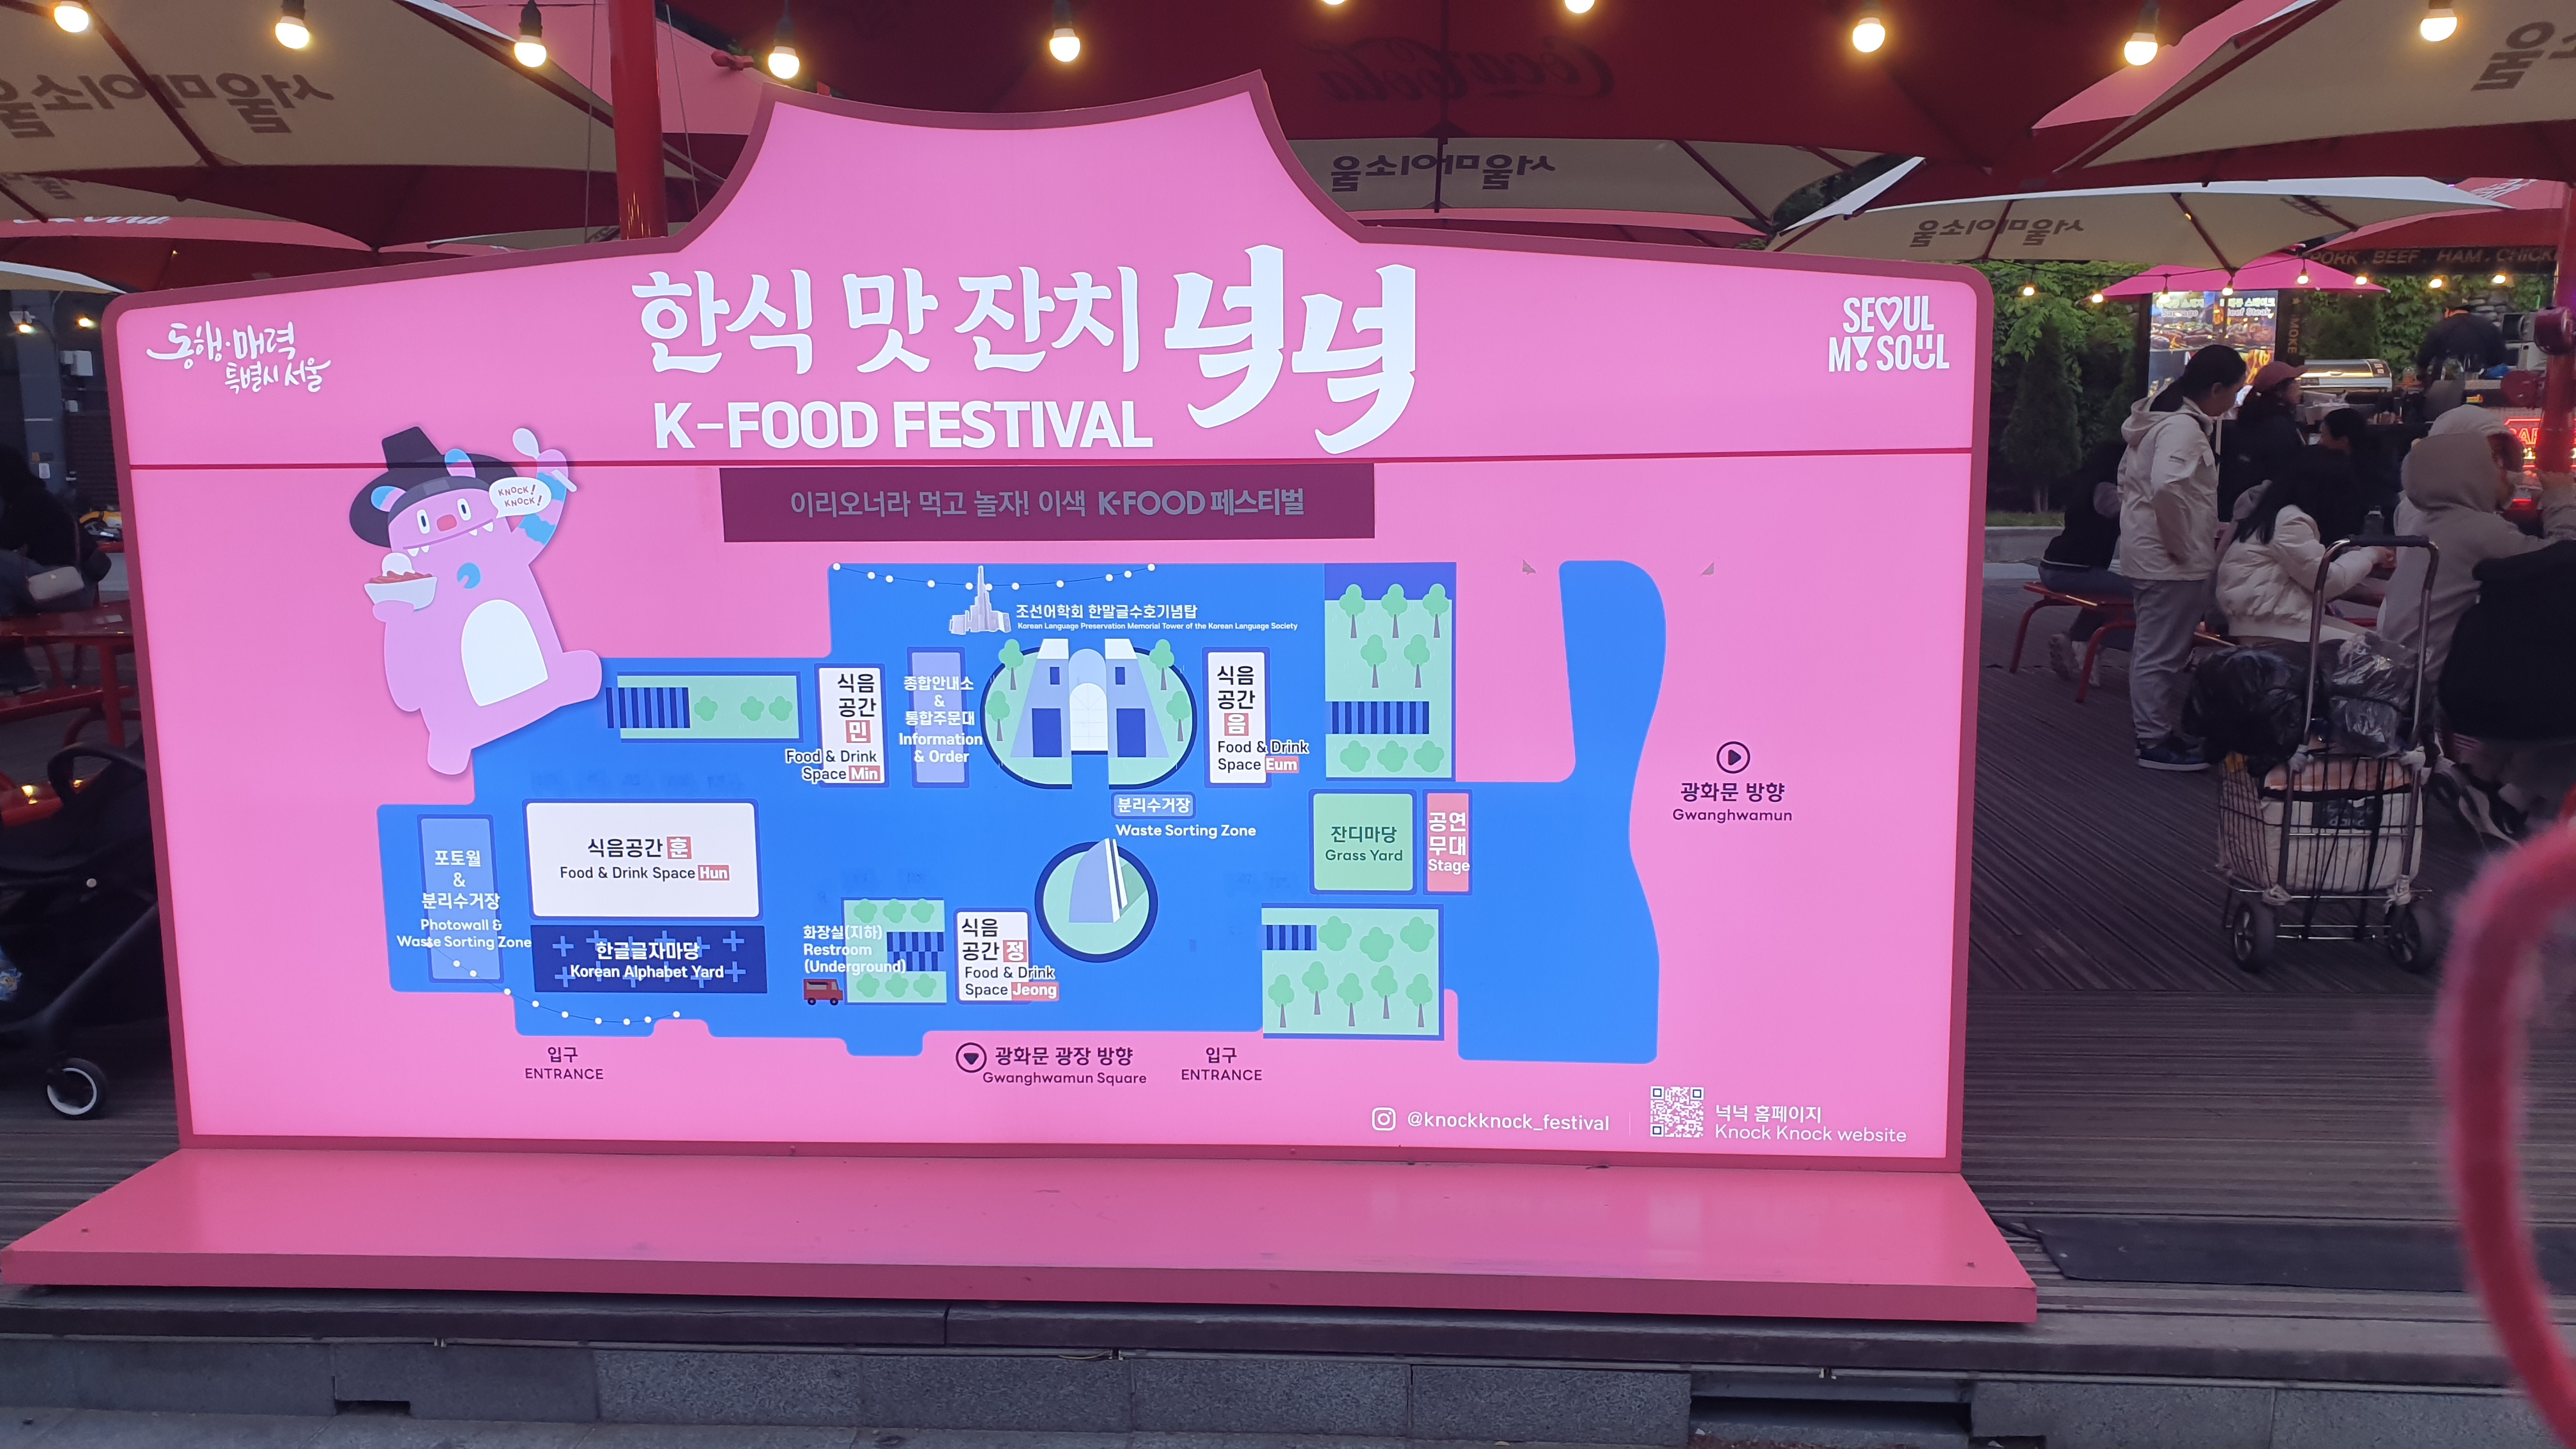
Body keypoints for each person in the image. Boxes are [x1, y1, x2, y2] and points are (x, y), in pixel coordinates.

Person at [2372, 408, 2575, 685]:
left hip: (2416, 672)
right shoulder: (2476, 528)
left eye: (2504, 458)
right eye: (2492, 459)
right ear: (2461, 462)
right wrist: (2562, 499)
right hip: (2445, 685)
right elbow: (2563, 567)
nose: (2505, 471)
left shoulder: (2430, 515)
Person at [2116, 343, 2247, 772]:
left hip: (2150, 553)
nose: (2234, 403)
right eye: (2234, 391)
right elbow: (2168, 487)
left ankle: (2153, 734)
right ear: (2216, 388)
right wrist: (2181, 544)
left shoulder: (2155, 419)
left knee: (2154, 649)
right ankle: (2152, 741)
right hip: (2169, 561)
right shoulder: (2182, 428)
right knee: (2160, 653)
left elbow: (2129, 481)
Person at [2212, 452, 2391, 647]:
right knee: (2377, 653)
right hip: (2273, 625)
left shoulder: (2275, 515)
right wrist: (2371, 554)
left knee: (2380, 646)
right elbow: (2327, 580)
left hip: (2271, 620)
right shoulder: (2291, 521)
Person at [2035, 436, 2127, 678]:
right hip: (2073, 570)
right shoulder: (2107, 492)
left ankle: (2073, 639)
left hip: (2053, 565)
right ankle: (2093, 646)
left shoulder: (2086, 486)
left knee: (2107, 592)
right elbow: (2131, 514)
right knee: (2137, 593)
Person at [2217, 360, 2306, 523]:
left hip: (2240, 508)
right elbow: (2286, 472)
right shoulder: (2279, 426)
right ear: (2280, 392)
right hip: (2264, 513)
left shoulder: (2253, 417)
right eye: (2294, 383)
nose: (2298, 388)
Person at [2417, 306, 2508, 383]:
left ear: (2448, 311)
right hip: (2482, 382)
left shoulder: (2440, 327)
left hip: (2446, 385)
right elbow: (2500, 356)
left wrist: (2422, 375)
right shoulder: (2488, 325)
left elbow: (2424, 357)